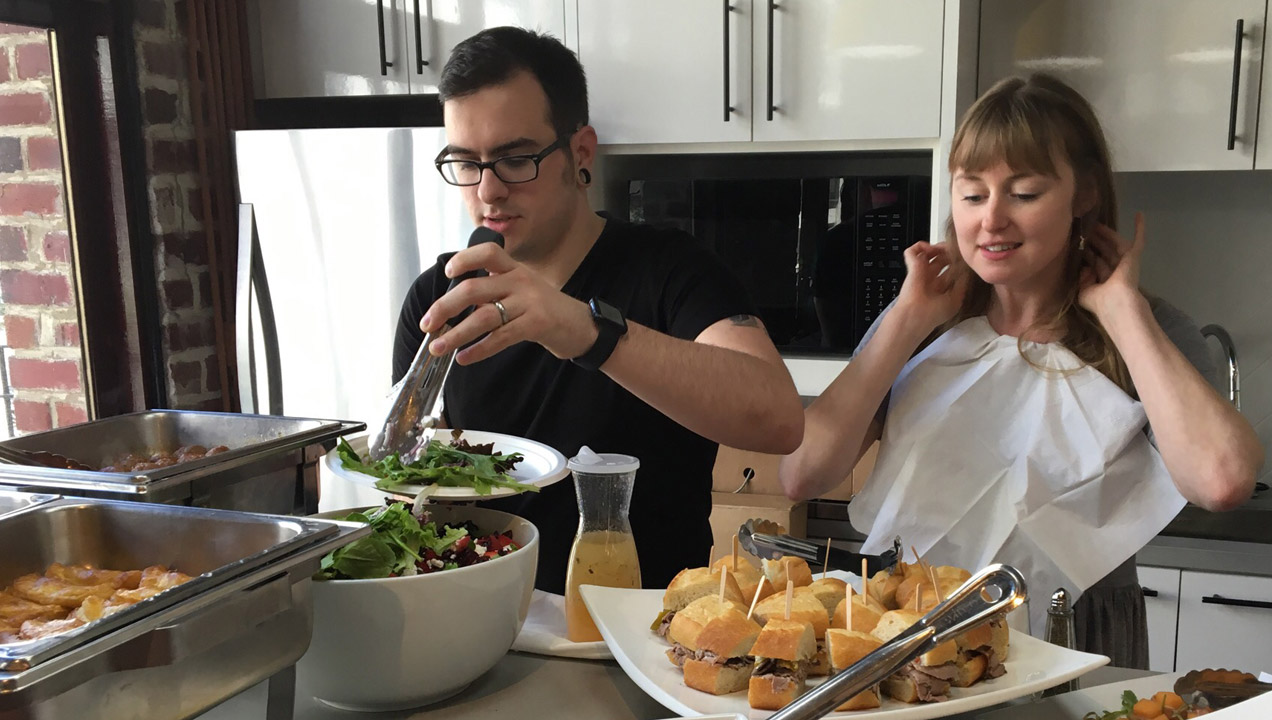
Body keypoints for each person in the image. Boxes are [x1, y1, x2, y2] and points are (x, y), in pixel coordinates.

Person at [778, 74, 1262, 668]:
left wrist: (1122, 312)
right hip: (909, 621)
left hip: (1070, 630)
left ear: (1083, 195)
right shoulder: (921, 319)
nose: (991, 220)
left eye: (1025, 193)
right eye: (972, 193)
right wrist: (907, 319)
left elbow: (1222, 481)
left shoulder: (1149, 329)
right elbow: (802, 473)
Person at [392, 27, 804, 594]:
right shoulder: (439, 295)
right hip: (486, 623)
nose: (487, 191)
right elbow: (410, 477)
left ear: (580, 152)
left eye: (515, 159)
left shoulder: (669, 267)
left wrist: (587, 330)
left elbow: (778, 417)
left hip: (649, 635)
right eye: (466, 163)